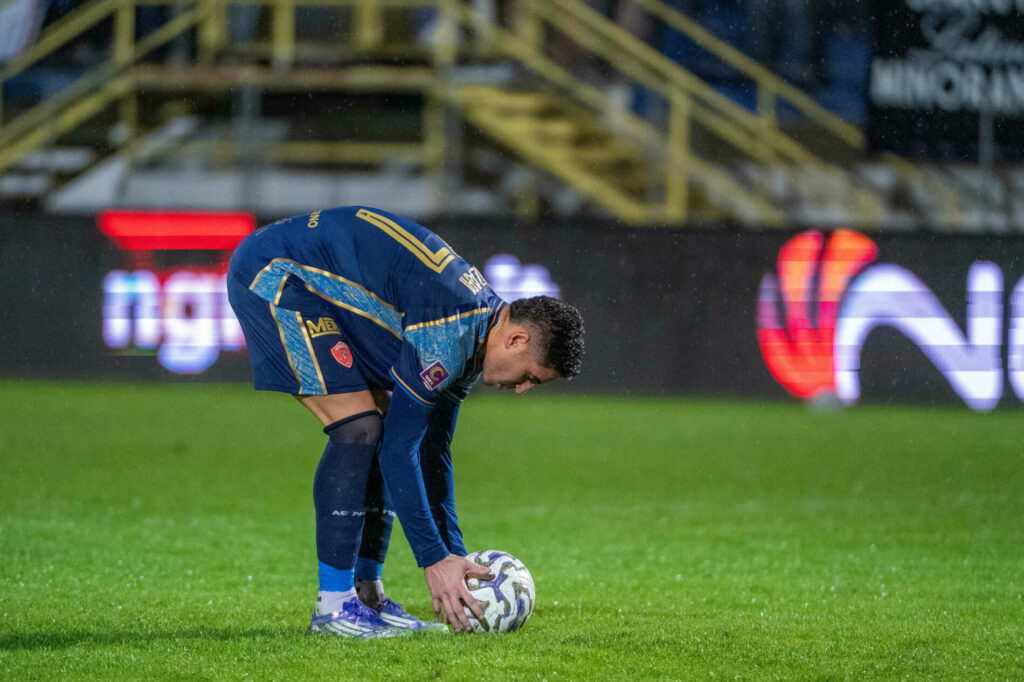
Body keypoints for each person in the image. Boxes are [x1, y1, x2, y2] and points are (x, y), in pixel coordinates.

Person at [226, 205, 585, 638]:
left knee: (382, 423)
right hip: (275, 275)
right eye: (530, 376)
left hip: (314, 281)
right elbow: (400, 449)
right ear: (517, 339)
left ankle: (366, 594)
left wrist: (456, 558)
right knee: (360, 429)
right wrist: (433, 560)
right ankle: (334, 608)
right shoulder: (450, 328)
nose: (524, 389)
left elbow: (433, 450)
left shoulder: (474, 331)